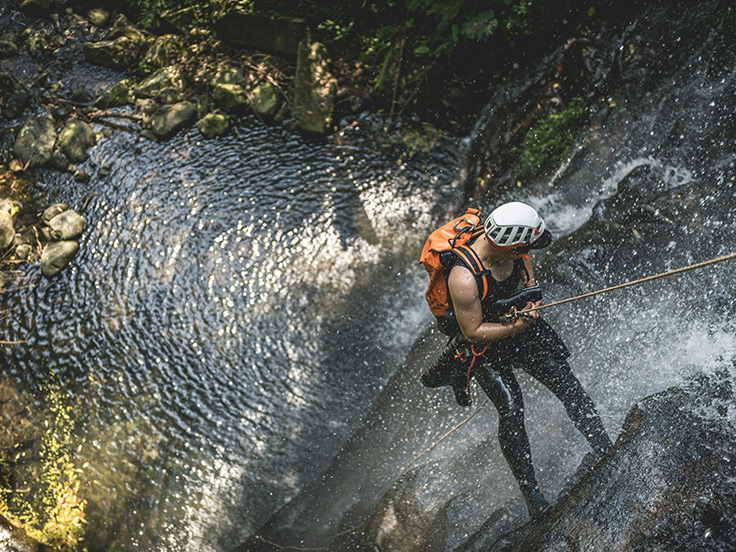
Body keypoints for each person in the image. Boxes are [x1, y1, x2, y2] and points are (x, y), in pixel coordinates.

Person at [421, 201, 613, 520]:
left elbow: (529, 284)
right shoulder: (463, 277)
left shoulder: (516, 250)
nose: (528, 252)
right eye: (525, 247)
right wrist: (517, 325)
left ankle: (604, 446)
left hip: (517, 326)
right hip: (484, 344)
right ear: (509, 245)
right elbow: (472, 331)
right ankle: (533, 496)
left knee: (568, 385)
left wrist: (532, 304)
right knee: (511, 410)